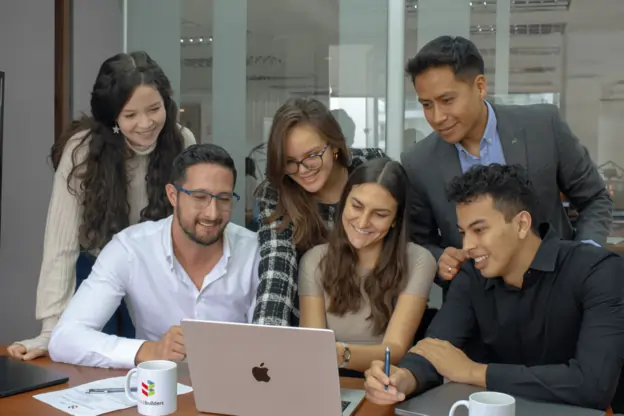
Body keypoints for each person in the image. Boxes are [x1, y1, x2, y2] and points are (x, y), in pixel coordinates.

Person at [364, 164, 624, 411]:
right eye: (463, 232)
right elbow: (436, 349)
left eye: (479, 230)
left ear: (522, 224)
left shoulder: (598, 271)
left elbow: (593, 385)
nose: (466, 246)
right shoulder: (471, 274)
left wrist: (474, 372)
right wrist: (403, 378)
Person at [8, 51, 196, 361]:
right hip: (96, 272)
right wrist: (51, 330)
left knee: (161, 365)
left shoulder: (182, 141)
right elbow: (61, 244)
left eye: (154, 109)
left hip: (155, 273)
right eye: (130, 115)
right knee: (94, 366)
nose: (146, 124)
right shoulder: (83, 151)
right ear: (112, 117)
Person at [400, 35, 612, 294]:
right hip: (477, 303)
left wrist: (584, 257)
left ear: (479, 87)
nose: (437, 117)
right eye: (426, 105)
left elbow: (595, 198)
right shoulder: (419, 162)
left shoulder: (543, 126)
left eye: (447, 100)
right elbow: (420, 241)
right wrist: (440, 258)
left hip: (559, 290)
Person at [48, 144, 260, 369]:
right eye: (200, 197)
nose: (213, 213)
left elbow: (268, 345)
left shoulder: (254, 251)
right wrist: (151, 350)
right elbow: (65, 339)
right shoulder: (130, 249)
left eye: (224, 199)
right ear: (173, 195)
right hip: (155, 392)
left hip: (235, 389)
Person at [252, 97, 385, 326]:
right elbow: (277, 269)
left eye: (312, 156)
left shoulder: (372, 167)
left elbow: (401, 247)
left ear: (334, 146)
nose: (303, 170)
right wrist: (267, 341)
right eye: (290, 161)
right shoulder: (276, 192)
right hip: (308, 322)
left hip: (375, 318)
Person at [299, 158, 436, 374]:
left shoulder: (419, 260)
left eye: (380, 214)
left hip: (386, 378)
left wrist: (339, 354)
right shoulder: (314, 260)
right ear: (344, 202)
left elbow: (396, 350)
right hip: (328, 377)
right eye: (356, 206)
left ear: (395, 220)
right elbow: (311, 345)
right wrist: (327, 355)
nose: (362, 223)